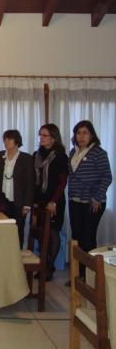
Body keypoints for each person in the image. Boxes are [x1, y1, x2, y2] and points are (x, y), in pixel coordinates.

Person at [68, 120, 112, 258]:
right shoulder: (72, 152)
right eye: (78, 133)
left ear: (91, 135)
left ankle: (89, 275)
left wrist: (97, 197)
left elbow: (107, 176)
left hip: (93, 202)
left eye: (85, 133)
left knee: (88, 237)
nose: (81, 136)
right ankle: (78, 274)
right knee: (77, 237)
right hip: (74, 200)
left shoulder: (98, 152)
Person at [33, 123, 69, 281]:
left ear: (53, 138)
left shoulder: (61, 156)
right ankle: (44, 264)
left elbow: (62, 182)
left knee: (53, 233)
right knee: (41, 234)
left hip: (55, 201)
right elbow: (35, 180)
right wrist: (34, 201)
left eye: (45, 135)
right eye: (40, 135)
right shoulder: (37, 154)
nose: (41, 138)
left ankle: (49, 267)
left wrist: (53, 201)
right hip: (40, 200)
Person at [0, 129, 34, 246]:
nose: (6, 142)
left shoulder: (26, 158)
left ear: (17, 141)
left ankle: (16, 256)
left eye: (9, 139)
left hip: (18, 202)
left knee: (17, 230)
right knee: (1, 230)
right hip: (1, 201)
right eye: (5, 139)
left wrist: (27, 204)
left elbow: (30, 183)